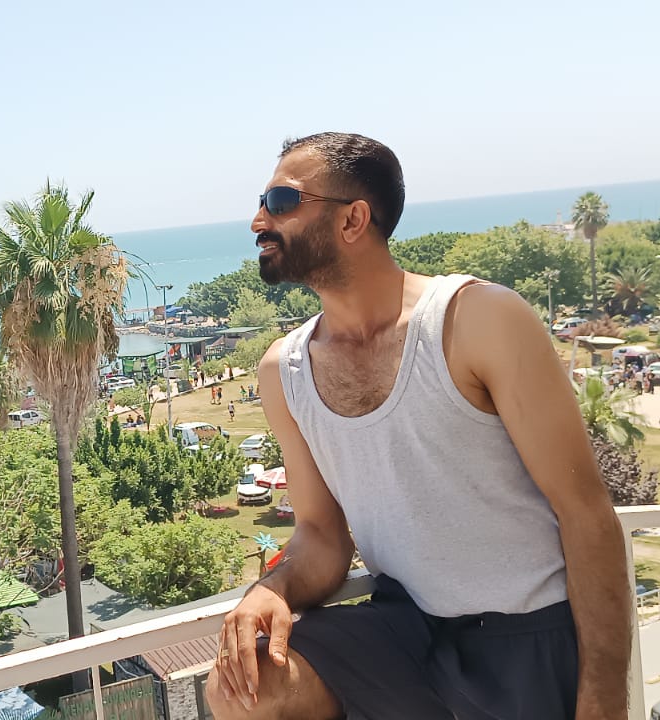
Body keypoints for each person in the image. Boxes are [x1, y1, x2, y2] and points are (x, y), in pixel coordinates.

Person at [208, 133, 628, 720]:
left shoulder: (477, 320)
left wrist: (603, 701)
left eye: (281, 201)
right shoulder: (285, 370)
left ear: (353, 219)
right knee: (240, 687)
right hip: (403, 629)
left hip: (526, 634)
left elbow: (586, 514)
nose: (259, 221)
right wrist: (270, 589)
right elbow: (321, 535)